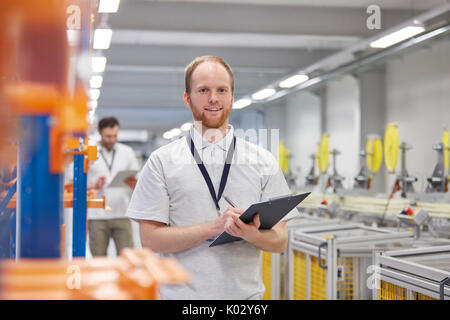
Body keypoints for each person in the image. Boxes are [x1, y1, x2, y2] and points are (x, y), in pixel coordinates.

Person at [126, 56, 299, 299]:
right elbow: (150, 240)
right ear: (187, 98)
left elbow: (280, 241)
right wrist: (213, 228)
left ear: (232, 96)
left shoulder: (263, 162)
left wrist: (253, 235)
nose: (213, 98)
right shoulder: (161, 161)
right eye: (203, 90)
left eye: (221, 90)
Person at [87, 116, 140, 257]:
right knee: (99, 259)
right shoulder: (89, 152)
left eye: (115, 136)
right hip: (97, 216)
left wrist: (134, 182)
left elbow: (137, 178)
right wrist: (93, 185)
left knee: (127, 258)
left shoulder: (127, 152)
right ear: (99, 132)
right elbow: (75, 182)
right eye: (108, 136)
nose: (111, 139)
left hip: (121, 213)